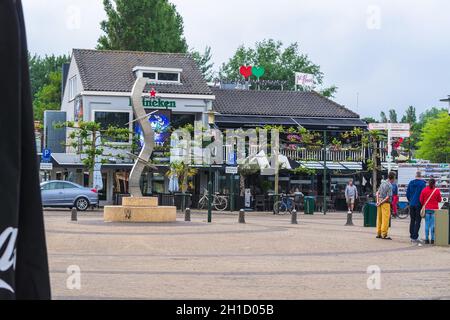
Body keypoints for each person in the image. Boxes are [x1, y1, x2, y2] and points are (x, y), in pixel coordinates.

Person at [419, 179, 442, 245]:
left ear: (428, 183)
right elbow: (439, 200)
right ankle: (432, 239)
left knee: (427, 225)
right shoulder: (437, 190)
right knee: (433, 225)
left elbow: (421, 200)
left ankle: (426, 239)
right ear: (434, 183)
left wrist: (425, 204)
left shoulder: (424, 190)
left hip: (427, 209)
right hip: (434, 210)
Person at [406, 171, 426, 244]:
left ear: (415, 176)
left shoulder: (411, 182)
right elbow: (423, 195)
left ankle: (412, 235)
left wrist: (410, 200)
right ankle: (415, 237)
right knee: (418, 220)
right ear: (421, 176)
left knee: (412, 220)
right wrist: (423, 204)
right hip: (418, 204)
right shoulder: (423, 184)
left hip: (411, 204)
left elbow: (407, 193)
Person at [376, 172, 395, 240]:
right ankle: (384, 234)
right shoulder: (390, 185)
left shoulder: (382, 183)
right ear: (392, 178)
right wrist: (381, 202)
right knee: (385, 219)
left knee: (379, 218)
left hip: (379, 203)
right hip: (385, 203)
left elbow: (377, 193)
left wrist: (378, 201)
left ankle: (378, 233)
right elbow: (387, 197)